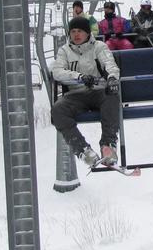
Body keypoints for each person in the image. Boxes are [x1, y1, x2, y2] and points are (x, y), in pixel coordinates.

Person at [51, 16, 121, 165]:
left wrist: (112, 78)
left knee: (112, 97)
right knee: (58, 109)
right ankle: (82, 149)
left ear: (88, 33)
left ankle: (108, 145)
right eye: (73, 31)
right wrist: (79, 77)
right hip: (75, 94)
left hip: (98, 91)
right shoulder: (64, 51)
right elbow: (57, 71)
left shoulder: (99, 47)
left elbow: (109, 63)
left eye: (80, 31)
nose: (76, 35)